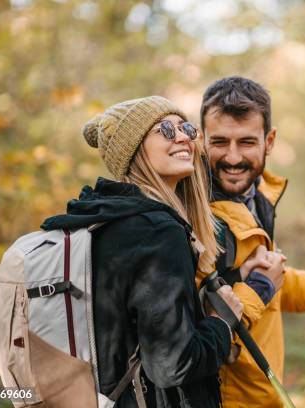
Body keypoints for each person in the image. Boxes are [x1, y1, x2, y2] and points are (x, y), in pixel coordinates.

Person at [41, 96, 243, 407]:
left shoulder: (104, 222)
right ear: (133, 151)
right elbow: (173, 365)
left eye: (186, 127)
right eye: (163, 129)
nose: (182, 137)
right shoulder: (158, 232)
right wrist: (220, 323)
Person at [198, 77, 305, 407]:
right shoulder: (197, 216)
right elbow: (196, 322)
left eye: (247, 142)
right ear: (201, 140)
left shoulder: (258, 201)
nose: (234, 157)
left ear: (269, 140)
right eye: (220, 142)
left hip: (263, 397)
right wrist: (258, 287)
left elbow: (272, 282)